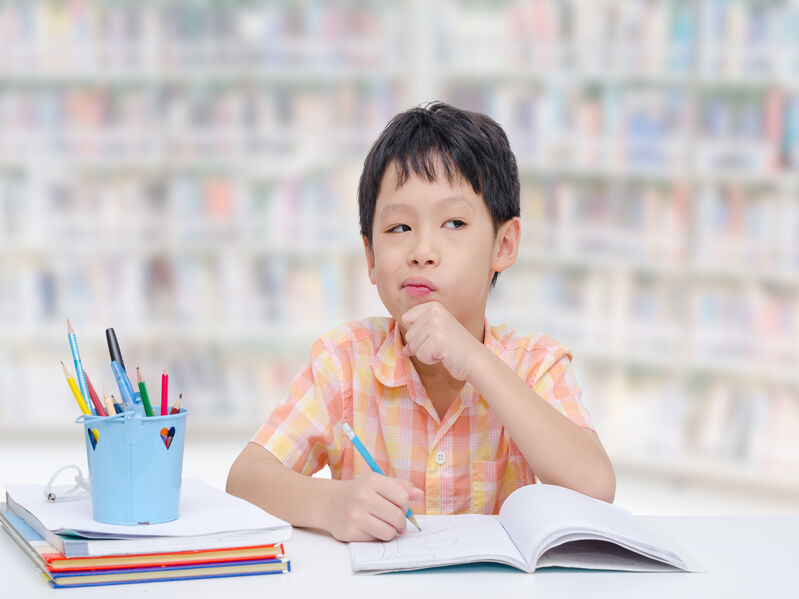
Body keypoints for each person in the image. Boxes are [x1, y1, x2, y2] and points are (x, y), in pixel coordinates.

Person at [227, 102, 615, 542]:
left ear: (503, 244)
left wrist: (477, 361)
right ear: (370, 257)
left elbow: (595, 488)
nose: (422, 250)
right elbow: (245, 480)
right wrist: (331, 504)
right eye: (398, 228)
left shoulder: (536, 363)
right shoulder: (345, 361)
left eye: (454, 222)